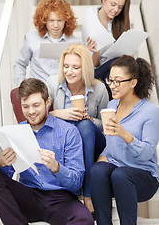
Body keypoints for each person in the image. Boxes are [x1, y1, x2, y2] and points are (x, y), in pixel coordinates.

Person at [0, 78, 94, 225]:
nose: (31, 111)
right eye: (25, 107)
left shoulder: (69, 132)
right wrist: (2, 164)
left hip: (61, 199)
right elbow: (2, 183)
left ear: (48, 102)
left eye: (36, 105)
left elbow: (76, 183)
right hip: (29, 196)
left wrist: (56, 168)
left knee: (85, 220)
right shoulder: (15, 131)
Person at [90, 55, 159, 225]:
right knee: (97, 171)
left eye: (117, 81)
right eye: (110, 80)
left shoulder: (151, 112)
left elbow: (146, 154)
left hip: (144, 177)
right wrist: (101, 160)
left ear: (133, 82)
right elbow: (111, 145)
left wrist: (125, 134)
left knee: (120, 175)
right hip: (116, 172)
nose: (111, 85)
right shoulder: (112, 106)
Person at [46, 44, 108, 212]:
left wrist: (91, 120)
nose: (69, 71)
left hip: (93, 140)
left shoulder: (99, 88)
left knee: (86, 126)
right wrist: (60, 113)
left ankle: (88, 194)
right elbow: (41, 116)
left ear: (85, 68)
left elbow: (107, 125)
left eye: (75, 67)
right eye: (66, 66)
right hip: (66, 142)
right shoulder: (53, 83)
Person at [13, 0, 79, 87]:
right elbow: (20, 64)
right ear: (44, 21)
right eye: (51, 21)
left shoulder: (75, 43)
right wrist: (21, 86)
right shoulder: (31, 39)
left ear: (66, 21)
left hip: (63, 90)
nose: (56, 25)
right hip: (37, 90)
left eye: (59, 20)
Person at [83, 0, 130, 98]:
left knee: (123, 67)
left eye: (120, 7)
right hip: (97, 71)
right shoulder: (91, 20)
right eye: (113, 5)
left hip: (115, 71)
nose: (116, 10)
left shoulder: (119, 22)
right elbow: (94, 65)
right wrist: (95, 52)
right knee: (115, 66)